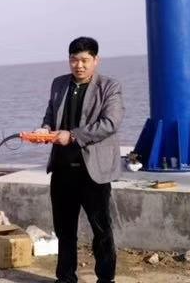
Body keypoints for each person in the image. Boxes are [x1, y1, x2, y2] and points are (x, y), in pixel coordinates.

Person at [35, 36, 124, 283]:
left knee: (101, 230)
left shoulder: (109, 86)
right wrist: (44, 129)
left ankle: (106, 279)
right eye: (74, 60)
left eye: (85, 60)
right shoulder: (59, 84)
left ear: (96, 60)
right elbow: (51, 115)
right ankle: (65, 278)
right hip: (63, 170)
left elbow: (110, 123)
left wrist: (72, 136)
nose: (79, 65)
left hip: (93, 171)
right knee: (64, 231)